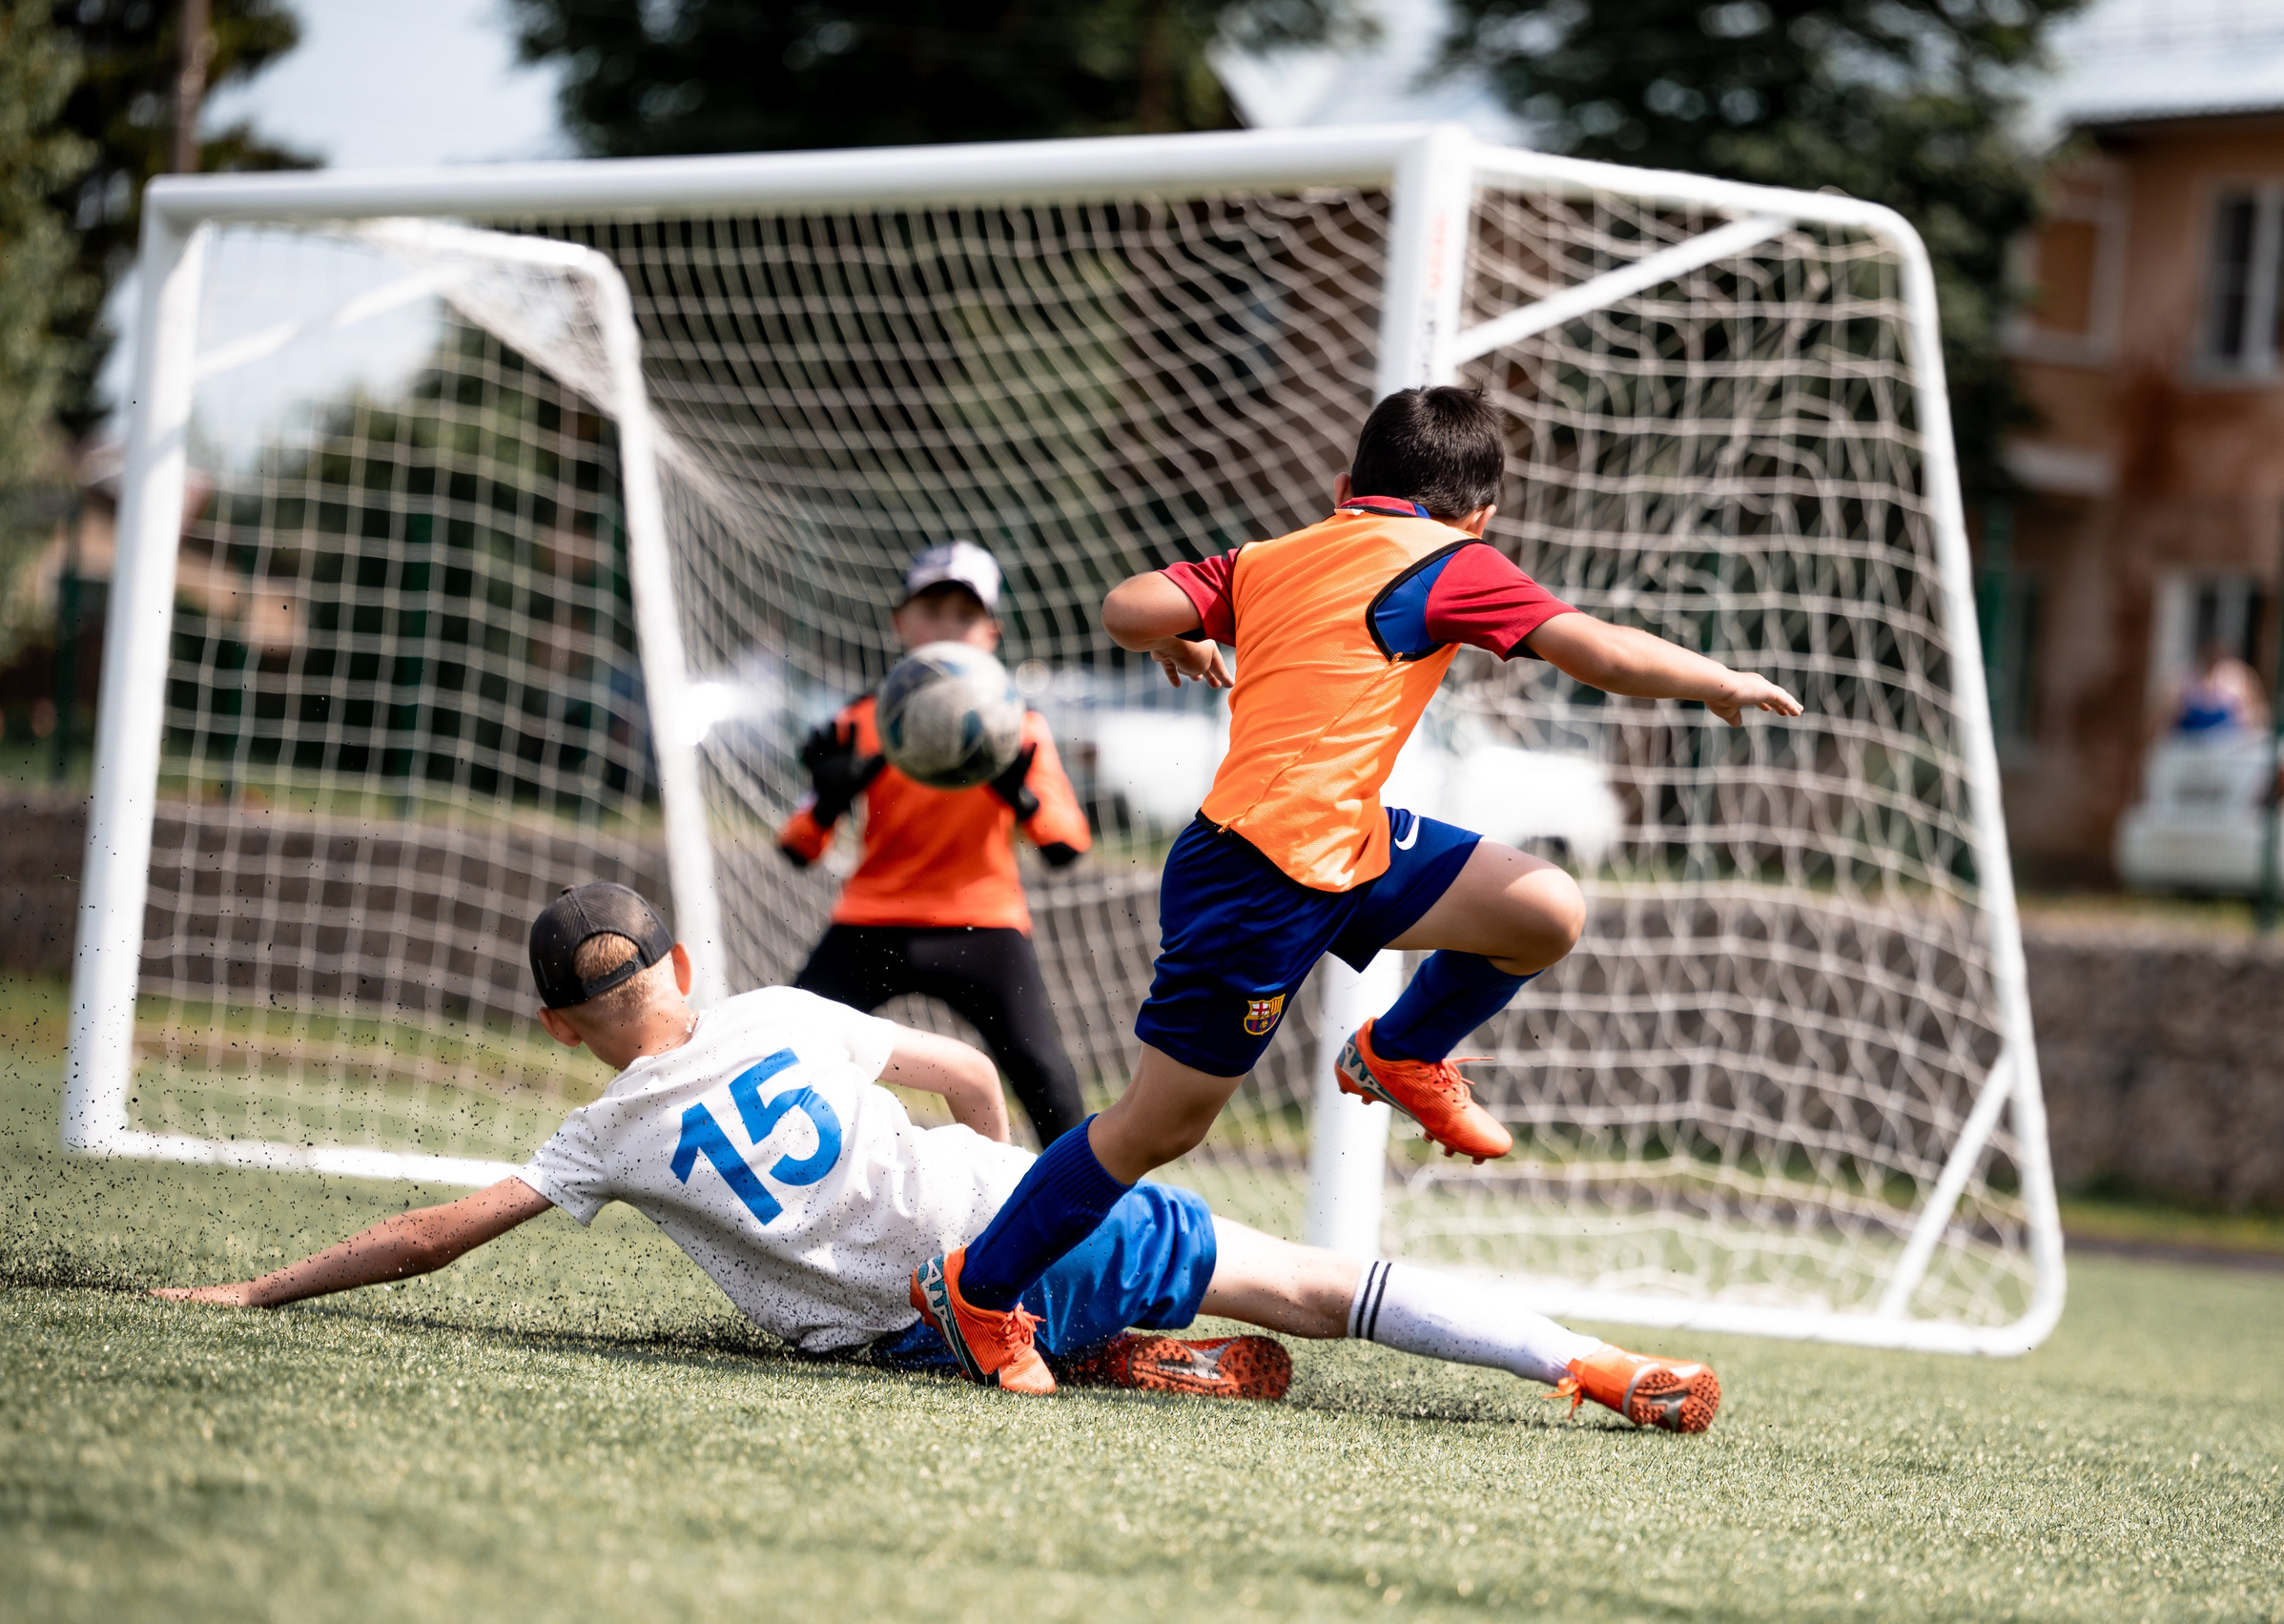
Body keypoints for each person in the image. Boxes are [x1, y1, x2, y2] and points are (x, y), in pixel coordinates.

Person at [916, 385, 1801, 1394]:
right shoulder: (1452, 562)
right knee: (1156, 1127)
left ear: (1345, 489)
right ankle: (978, 1292)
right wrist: (1714, 679)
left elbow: (1125, 604)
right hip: (1257, 875)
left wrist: (1176, 629)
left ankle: (1401, 1049)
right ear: (1484, 515)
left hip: (1349, 842)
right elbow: (1590, 645)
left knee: (1543, 906)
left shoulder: (1268, 557)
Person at [152, 883, 1720, 1431]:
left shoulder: (600, 1126)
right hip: (998, 1230)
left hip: (905, 1330)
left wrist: (248, 1287)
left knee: (952, 1316)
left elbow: (434, 1232)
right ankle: (1585, 1361)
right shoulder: (772, 1005)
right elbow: (970, 1065)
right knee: (1318, 1283)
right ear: (683, 965)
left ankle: (1101, 1349)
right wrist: (1022, 1190)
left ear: (564, 1025)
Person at [778, 542, 1093, 1147]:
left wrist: (1017, 795)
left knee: (1046, 1077)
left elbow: (1064, 848)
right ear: (901, 623)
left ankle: (1094, 1218)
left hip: (982, 922)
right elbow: (797, 849)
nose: (946, 627)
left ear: (992, 633)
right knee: (780, 1046)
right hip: (871, 920)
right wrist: (827, 798)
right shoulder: (862, 721)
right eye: (931, 611)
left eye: (964, 615)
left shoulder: (1018, 727)